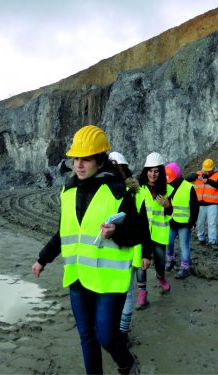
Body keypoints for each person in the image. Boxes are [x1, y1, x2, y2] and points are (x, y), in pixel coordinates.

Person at [31, 125, 139, 374]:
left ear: (100, 162)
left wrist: (116, 232)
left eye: (86, 159)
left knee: (106, 337)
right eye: (76, 158)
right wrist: (42, 260)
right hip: (78, 276)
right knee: (87, 338)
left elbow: (138, 232)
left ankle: (126, 364)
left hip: (109, 281)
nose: (79, 164)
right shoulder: (67, 191)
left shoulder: (118, 191)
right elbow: (64, 233)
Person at [109, 151, 151, 344]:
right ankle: (115, 328)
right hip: (109, 252)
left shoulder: (137, 194)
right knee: (113, 294)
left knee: (126, 293)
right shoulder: (105, 192)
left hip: (129, 250)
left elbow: (143, 227)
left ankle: (122, 331)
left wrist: (146, 253)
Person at [135, 152, 173, 304]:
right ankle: (142, 293)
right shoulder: (138, 189)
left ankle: (160, 277)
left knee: (160, 262)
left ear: (161, 172)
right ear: (146, 172)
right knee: (141, 263)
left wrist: (168, 205)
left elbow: (171, 213)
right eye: (150, 171)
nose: (153, 174)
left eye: (156, 171)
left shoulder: (168, 190)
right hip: (141, 233)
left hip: (158, 233)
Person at [164, 162, 199, 279]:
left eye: (172, 181)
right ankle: (170, 260)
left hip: (185, 224)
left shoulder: (189, 188)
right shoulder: (169, 187)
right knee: (168, 242)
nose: (170, 183)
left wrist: (192, 222)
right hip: (172, 222)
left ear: (177, 177)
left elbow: (195, 207)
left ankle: (185, 267)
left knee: (184, 245)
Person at [193, 159, 218, 250]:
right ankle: (200, 238)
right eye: (205, 170)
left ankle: (212, 240)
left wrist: (207, 180)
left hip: (212, 204)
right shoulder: (198, 173)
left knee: (212, 223)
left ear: (213, 168)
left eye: (209, 170)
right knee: (200, 222)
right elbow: (187, 178)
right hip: (200, 203)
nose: (207, 171)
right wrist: (196, 176)